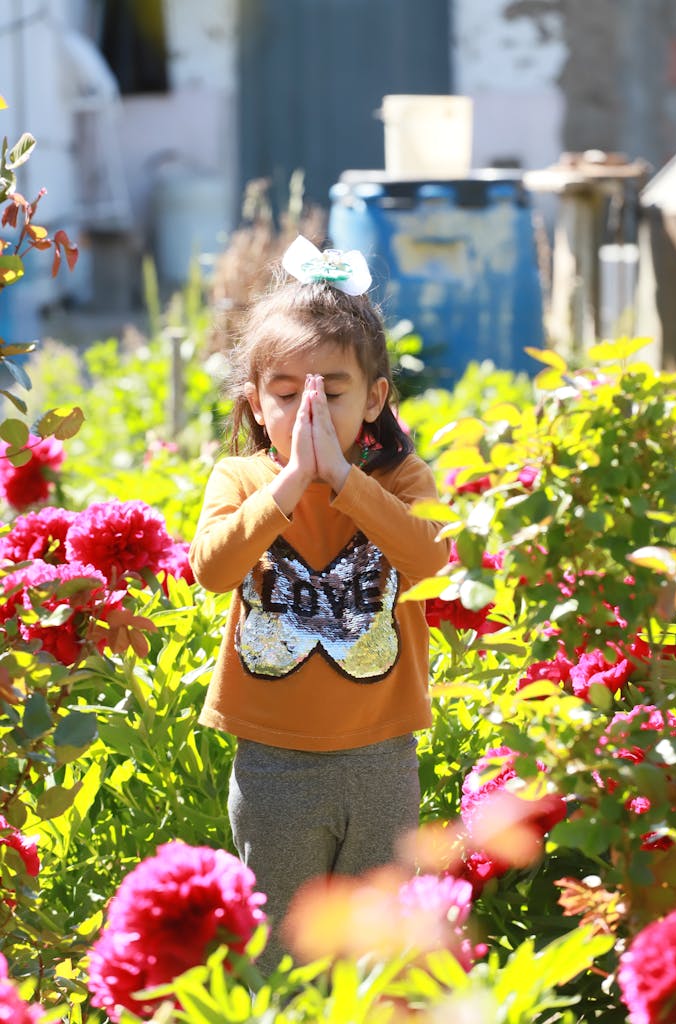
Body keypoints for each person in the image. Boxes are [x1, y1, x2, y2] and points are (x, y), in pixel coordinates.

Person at [189, 235, 451, 970]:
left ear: (374, 398)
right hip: (272, 761)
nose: (306, 409)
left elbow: (431, 560)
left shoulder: (400, 481)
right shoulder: (240, 479)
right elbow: (210, 569)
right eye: (284, 392)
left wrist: (341, 479)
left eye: (330, 392)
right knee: (283, 954)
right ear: (252, 399)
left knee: (376, 955)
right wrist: (290, 484)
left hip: (380, 752)